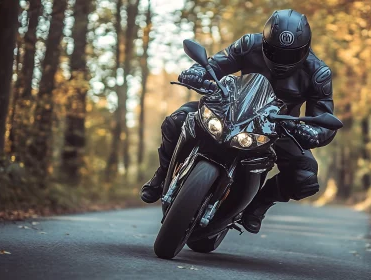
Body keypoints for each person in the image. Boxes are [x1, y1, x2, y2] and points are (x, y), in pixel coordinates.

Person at [141, 9, 337, 234]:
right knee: (176, 121)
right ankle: (162, 174)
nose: (282, 60)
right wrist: (197, 72)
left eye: (290, 55)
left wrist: (313, 132)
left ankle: (258, 205)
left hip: (279, 127)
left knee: (305, 176)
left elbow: (323, 116)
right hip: (229, 110)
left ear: (305, 49)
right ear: (264, 42)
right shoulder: (248, 44)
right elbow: (216, 64)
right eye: (274, 51)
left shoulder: (318, 73)